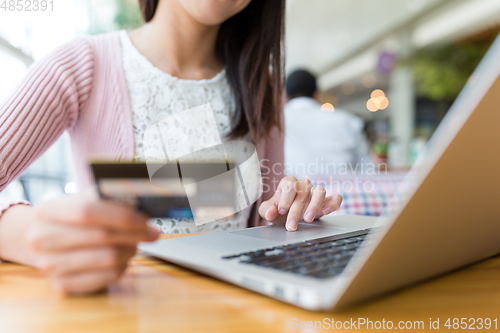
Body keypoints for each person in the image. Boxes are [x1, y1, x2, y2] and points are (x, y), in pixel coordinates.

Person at [0, 0, 342, 295]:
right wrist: (31, 235)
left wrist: (291, 214)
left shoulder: (262, 90)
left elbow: (263, 228)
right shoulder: (81, 64)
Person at [284, 70, 371, 178]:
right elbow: (367, 169)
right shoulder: (348, 121)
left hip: (292, 193)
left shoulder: (274, 123)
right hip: (345, 192)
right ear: (317, 94)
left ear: (286, 95)